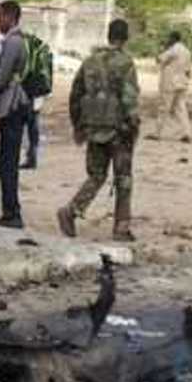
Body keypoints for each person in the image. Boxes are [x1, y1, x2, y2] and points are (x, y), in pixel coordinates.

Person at [57, 20, 139, 242]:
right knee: (123, 179)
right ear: (125, 38)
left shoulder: (90, 62)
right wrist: (134, 126)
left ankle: (71, 210)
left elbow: (75, 95)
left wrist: (78, 126)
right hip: (118, 130)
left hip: (94, 128)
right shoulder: (126, 63)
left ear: (108, 35)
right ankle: (121, 228)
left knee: (96, 176)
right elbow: (130, 99)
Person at [0, 0, 30, 228]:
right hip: (14, 105)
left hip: (11, 106)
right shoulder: (15, 41)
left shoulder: (12, 43)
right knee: (6, 159)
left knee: (7, 161)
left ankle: (12, 212)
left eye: (0, 17)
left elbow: (1, 79)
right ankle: (10, 210)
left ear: (10, 17)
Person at [147, 31, 192, 144]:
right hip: (182, 82)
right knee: (181, 108)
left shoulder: (173, 50)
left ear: (173, 38)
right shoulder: (186, 51)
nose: (167, 40)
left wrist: (160, 48)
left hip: (170, 82)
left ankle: (157, 133)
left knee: (163, 108)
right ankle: (186, 132)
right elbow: (188, 70)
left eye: (169, 38)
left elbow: (159, 59)